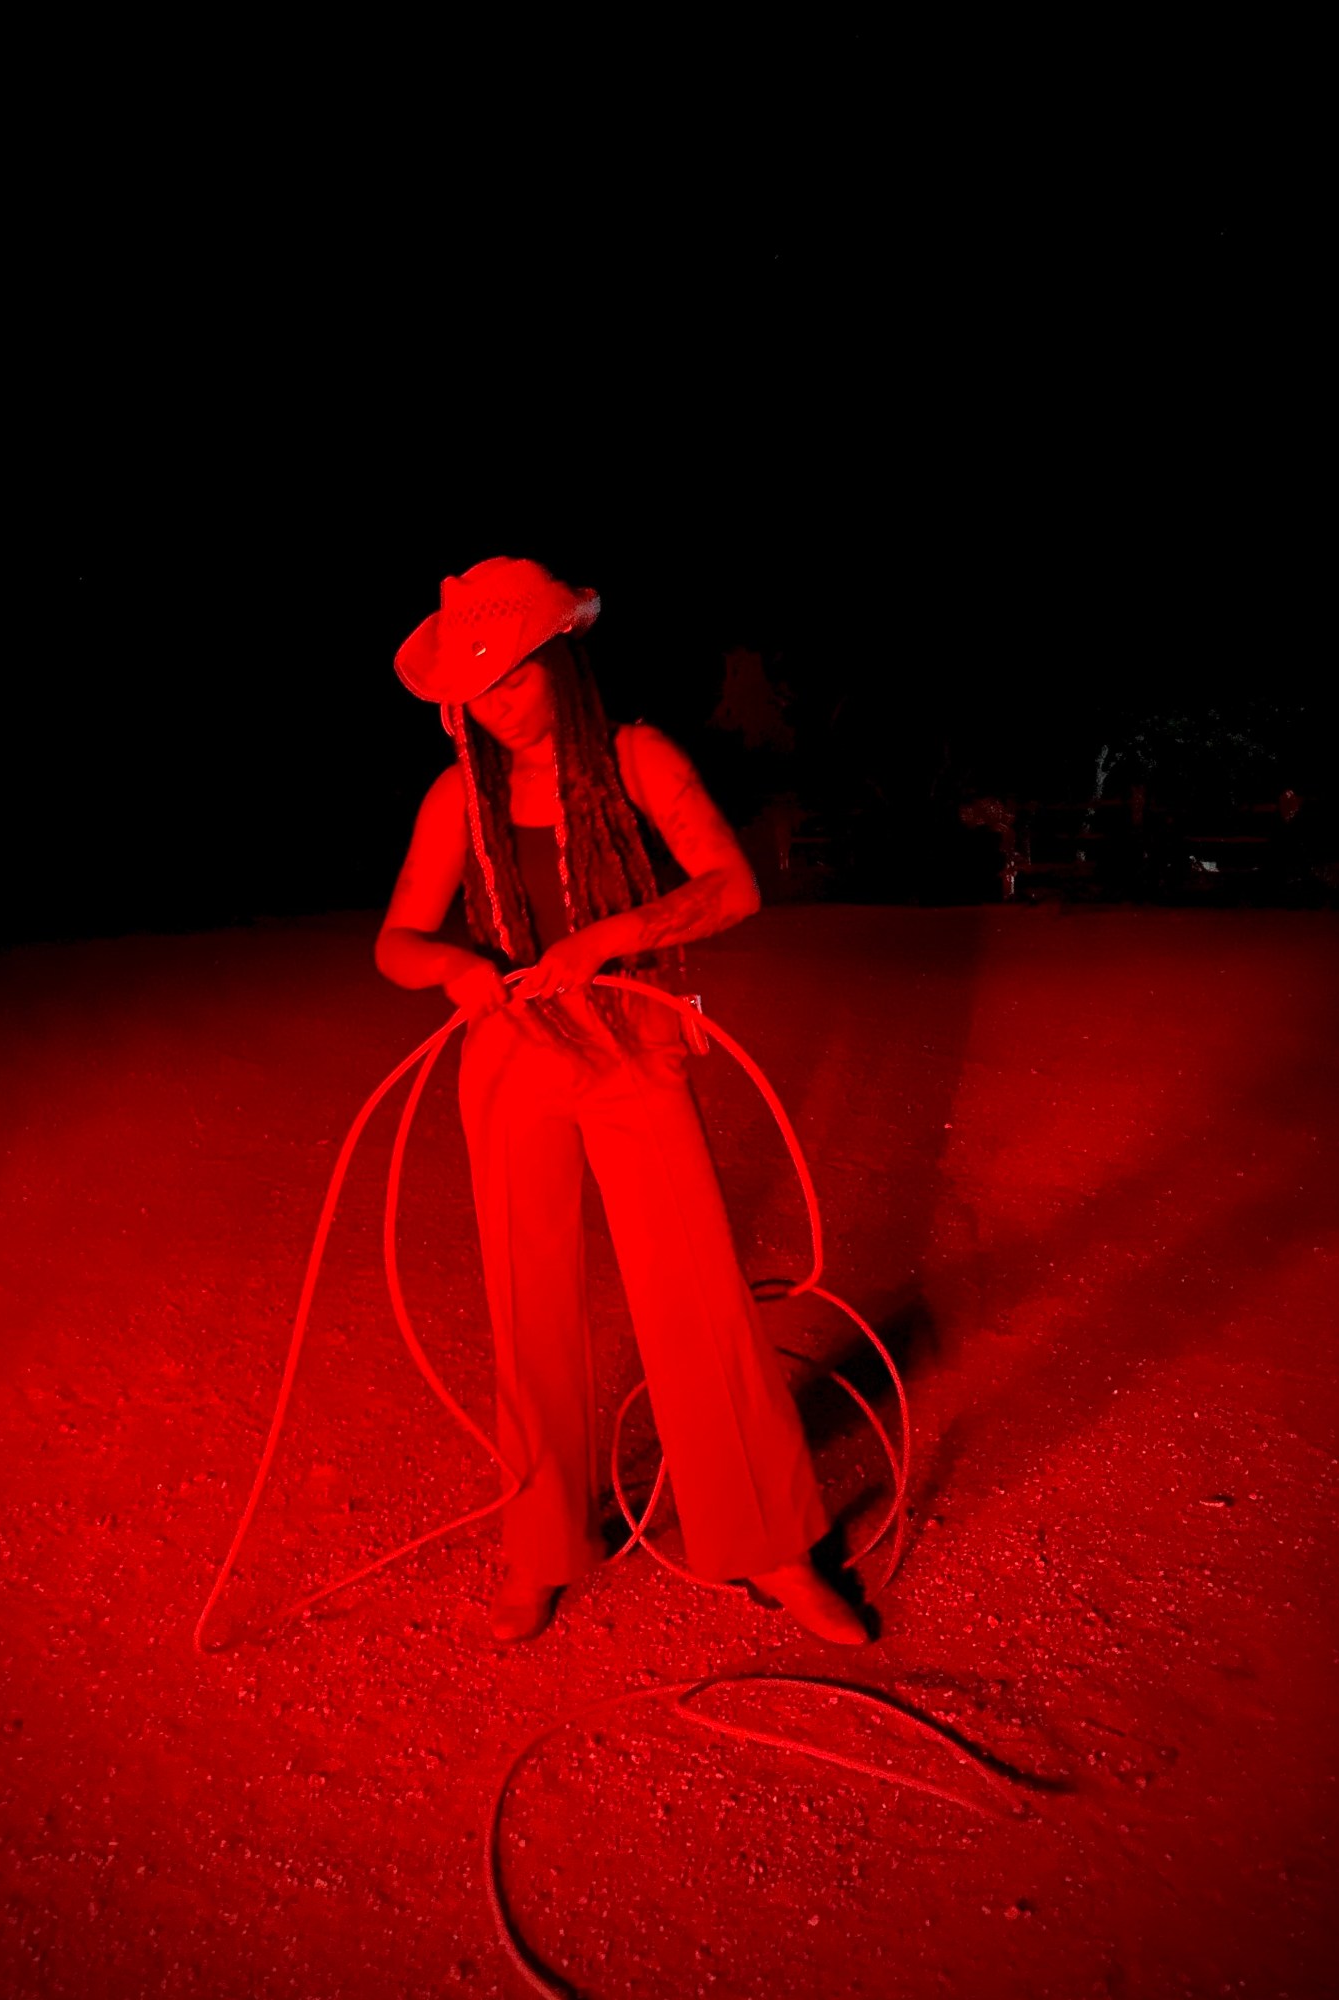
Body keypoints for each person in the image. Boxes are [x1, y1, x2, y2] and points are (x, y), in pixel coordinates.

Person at [376, 556, 867, 1646]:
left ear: (562, 663)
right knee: (526, 1301)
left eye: (510, 681)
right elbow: (396, 940)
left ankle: (770, 1545)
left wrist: (613, 935)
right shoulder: (461, 793)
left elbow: (731, 886)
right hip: (506, 1054)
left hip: (631, 1035)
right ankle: (541, 1545)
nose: (493, 708)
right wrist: (457, 970)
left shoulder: (637, 758)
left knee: (695, 1295)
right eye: (475, 692)